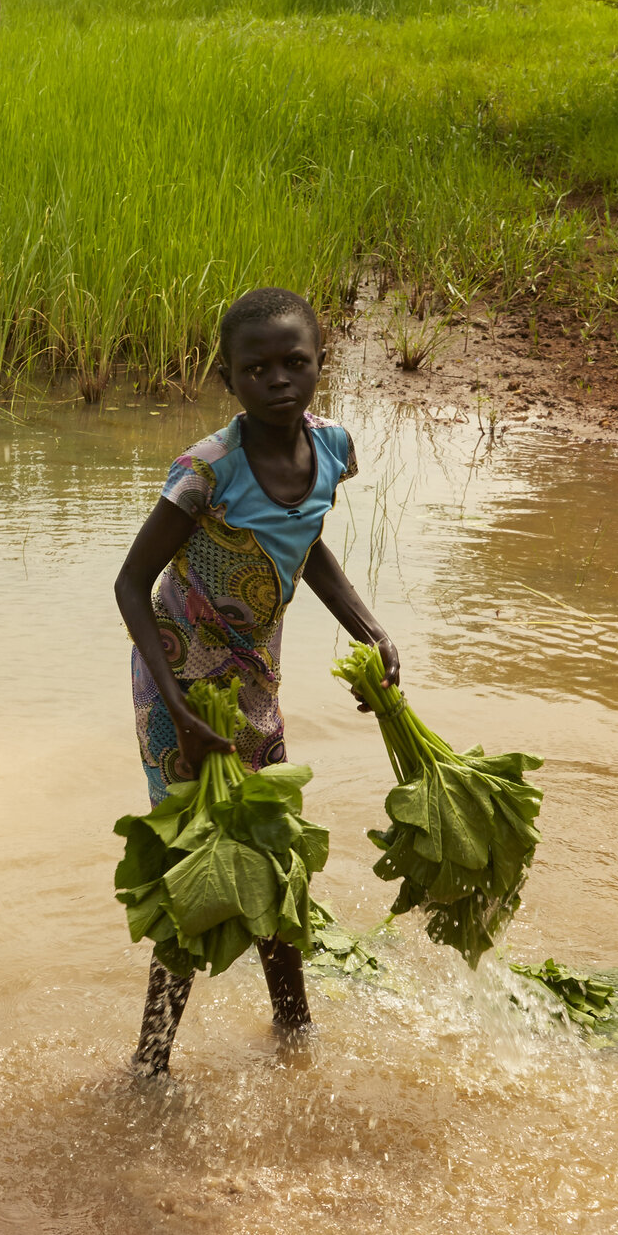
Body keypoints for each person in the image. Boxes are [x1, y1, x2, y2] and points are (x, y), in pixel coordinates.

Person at [111, 287, 396, 1075]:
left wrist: (368, 626)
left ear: (319, 365)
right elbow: (131, 584)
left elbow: (306, 544)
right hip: (179, 679)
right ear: (228, 378)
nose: (278, 380)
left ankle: (293, 1030)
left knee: (272, 849)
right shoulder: (207, 471)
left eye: (294, 363)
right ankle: (152, 1060)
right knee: (192, 861)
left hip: (254, 681)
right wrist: (175, 702)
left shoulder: (333, 447)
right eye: (257, 368)